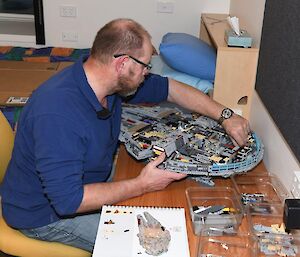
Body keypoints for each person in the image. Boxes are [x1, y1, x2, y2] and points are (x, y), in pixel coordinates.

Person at [0, 18, 250, 252]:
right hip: (44, 215)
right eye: (144, 65)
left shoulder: (108, 82)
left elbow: (169, 89)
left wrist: (226, 115)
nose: (146, 73)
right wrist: (142, 184)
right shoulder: (58, 114)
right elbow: (69, 202)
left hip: (85, 181)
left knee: (170, 204)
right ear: (122, 63)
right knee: (158, 245)